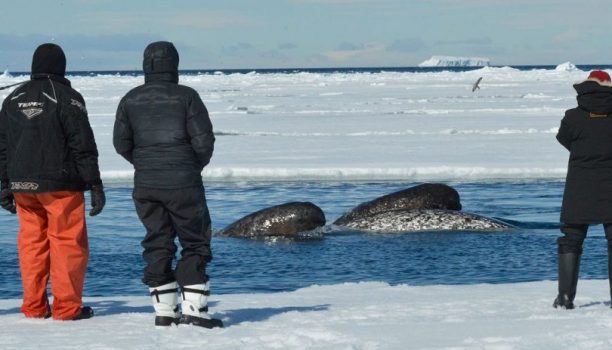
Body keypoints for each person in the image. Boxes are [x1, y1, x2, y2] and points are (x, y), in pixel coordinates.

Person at [113, 41, 222, 328]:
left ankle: (164, 311)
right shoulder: (187, 97)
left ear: (145, 65)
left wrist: (146, 164)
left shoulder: (130, 98)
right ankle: (195, 312)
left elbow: (120, 144)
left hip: (147, 184)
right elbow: (204, 142)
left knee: (157, 241)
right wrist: (191, 165)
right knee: (195, 242)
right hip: (184, 182)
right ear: (174, 64)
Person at [0, 43, 105, 320]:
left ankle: (34, 307)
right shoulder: (68, 97)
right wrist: (94, 184)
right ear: (61, 67)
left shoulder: (12, 98)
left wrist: (4, 185)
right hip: (61, 186)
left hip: (23, 186)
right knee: (67, 243)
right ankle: (67, 308)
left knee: (32, 244)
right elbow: (82, 145)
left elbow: (2, 147)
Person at [555, 70, 612, 309]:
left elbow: (564, 139)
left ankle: (566, 299)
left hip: (580, 185)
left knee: (571, 238)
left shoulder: (572, 117)